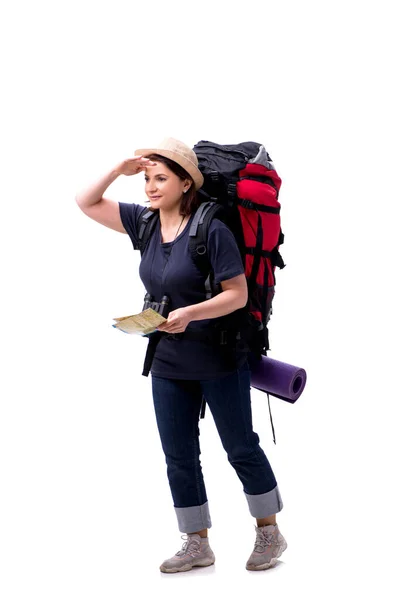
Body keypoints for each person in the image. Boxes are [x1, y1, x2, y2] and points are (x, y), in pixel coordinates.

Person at [75, 137, 287, 573]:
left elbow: (237, 294)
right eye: (148, 179)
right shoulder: (146, 223)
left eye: (160, 179)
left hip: (219, 356)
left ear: (187, 182)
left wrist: (191, 313)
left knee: (240, 446)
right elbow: (86, 201)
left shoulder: (213, 228)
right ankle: (196, 542)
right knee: (178, 454)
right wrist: (119, 169)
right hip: (169, 360)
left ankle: (269, 530)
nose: (150, 188)